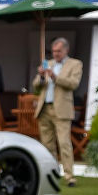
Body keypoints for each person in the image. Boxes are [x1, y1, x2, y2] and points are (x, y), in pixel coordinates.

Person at [33, 37, 82, 186]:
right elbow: (36, 85)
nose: (55, 54)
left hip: (61, 109)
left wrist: (55, 77)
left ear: (66, 50)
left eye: (59, 51)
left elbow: (73, 84)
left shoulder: (75, 64)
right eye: (54, 51)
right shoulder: (48, 63)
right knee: (47, 144)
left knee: (64, 143)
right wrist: (42, 76)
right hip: (44, 109)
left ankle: (69, 176)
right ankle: (52, 173)